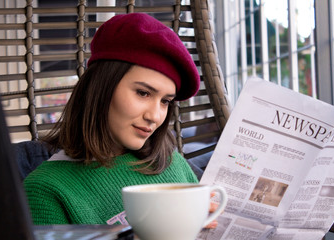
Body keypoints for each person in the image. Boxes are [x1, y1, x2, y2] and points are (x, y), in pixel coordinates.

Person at [24, 13, 217, 228]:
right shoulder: (45, 191)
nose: (154, 116)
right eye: (143, 93)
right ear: (100, 88)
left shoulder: (171, 162)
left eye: (165, 101)